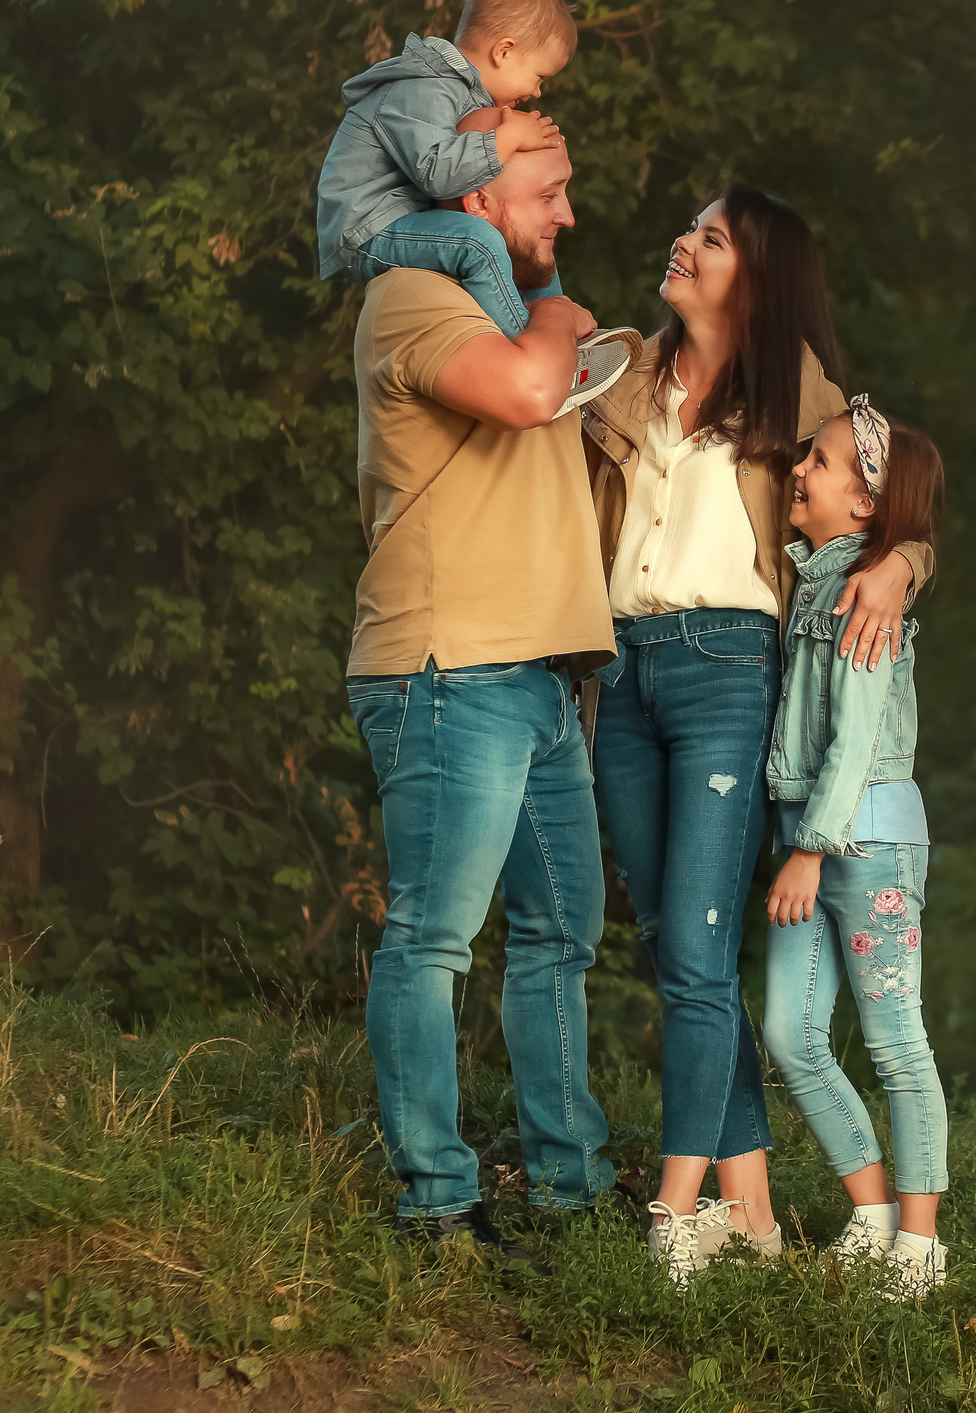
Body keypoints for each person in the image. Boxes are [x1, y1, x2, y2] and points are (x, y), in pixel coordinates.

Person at [579, 187, 930, 1287]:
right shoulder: (622, 372)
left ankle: (687, 1210)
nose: (683, 244)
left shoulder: (800, 392)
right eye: (690, 229)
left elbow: (892, 499)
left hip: (729, 666)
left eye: (713, 238)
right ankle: (752, 1209)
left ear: (759, 275)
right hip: (617, 668)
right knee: (671, 947)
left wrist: (903, 561)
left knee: (694, 949)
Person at [344, 138, 618, 1268]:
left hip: (539, 672)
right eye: (547, 192)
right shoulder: (413, 297)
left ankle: (570, 1186)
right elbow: (530, 391)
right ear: (474, 197)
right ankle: (438, 1207)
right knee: (433, 938)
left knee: (563, 933)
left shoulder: (511, 315)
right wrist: (558, 313)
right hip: (449, 663)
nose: (568, 212)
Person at [761, 400, 951, 1299]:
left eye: (824, 461)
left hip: (865, 842)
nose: (801, 468)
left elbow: (857, 734)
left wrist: (809, 849)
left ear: (867, 502)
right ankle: (871, 1217)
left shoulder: (864, 591)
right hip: (812, 837)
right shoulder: (821, 580)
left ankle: (920, 1246)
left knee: (895, 1042)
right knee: (790, 1034)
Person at [317, 0, 575, 339]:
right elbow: (437, 173)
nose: (537, 91)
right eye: (539, 76)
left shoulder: (462, 92)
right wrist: (509, 138)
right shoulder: (426, 87)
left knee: (525, 240)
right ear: (504, 51)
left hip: (405, 217)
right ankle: (530, 342)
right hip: (367, 227)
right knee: (479, 242)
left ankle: (570, 335)